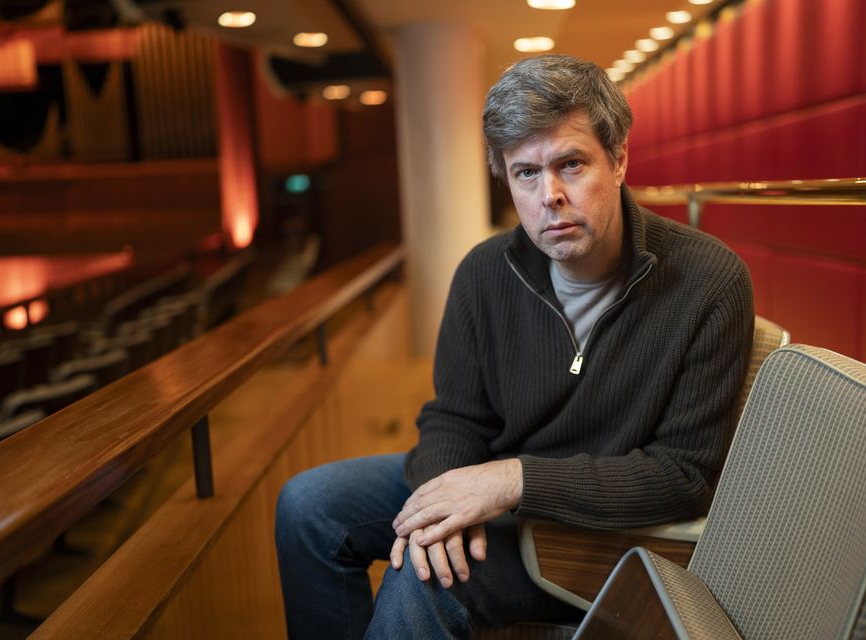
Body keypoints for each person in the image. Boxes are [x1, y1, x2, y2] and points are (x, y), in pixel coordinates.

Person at [275, 53, 754, 639]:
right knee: (309, 506)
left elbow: (683, 476)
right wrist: (444, 505)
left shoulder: (709, 281)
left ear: (619, 159)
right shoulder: (483, 274)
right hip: (494, 495)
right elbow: (455, 417)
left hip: (592, 536)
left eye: (571, 164)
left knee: (423, 578)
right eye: (526, 172)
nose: (550, 194)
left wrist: (511, 481)